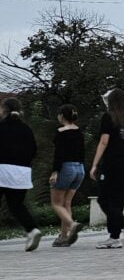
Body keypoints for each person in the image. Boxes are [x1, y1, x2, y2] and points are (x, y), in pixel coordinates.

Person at [89, 89, 124, 249]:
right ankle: (114, 237)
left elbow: (104, 141)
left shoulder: (109, 117)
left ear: (111, 102)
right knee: (119, 199)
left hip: (113, 162)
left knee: (104, 199)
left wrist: (94, 164)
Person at [0, 97, 42, 251]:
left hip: (3, 170)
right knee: (16, 204)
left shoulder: (1, 127)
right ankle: (32, 229)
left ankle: (32, 230)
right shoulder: (26, 129)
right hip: (22, 172)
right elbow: (33, 150)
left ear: (4, 110)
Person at [49, 104, 85, 247]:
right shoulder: (79, 132)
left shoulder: (61, 132)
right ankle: (64, 237)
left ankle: (72, 224)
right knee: (66, 203)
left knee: (56, 203)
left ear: (62, 116)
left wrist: (55, 172)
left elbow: (59, 155)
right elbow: (82, 153)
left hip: (66, 168)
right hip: (79, 168)